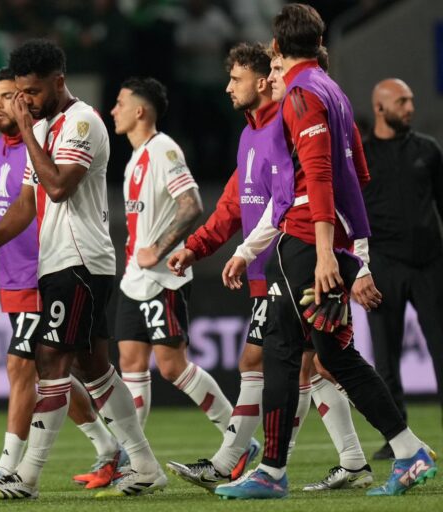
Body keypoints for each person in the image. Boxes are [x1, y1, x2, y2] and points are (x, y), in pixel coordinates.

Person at [216, 4, 436, 499]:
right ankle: (406, 450)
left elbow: (317, 176)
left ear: (277, 47)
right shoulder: (333, 91)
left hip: (303, 241)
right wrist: (353, 247)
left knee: (289, 351)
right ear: (318, 43)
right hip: (322, 238)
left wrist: (323, 253)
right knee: (326, 354)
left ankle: (274, 471)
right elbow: (359, 173)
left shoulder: (302, 96)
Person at [166, 43, 374, 493]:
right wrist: (198, 247)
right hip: (270, 265)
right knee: (313, 366)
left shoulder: (287, 124)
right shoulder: (249, 136)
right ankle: (355, 460)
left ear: (263, 81)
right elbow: (232, 204)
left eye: (236, 79)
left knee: (265, 360)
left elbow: (304, 199)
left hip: (294, 261)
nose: (227, 87)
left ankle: (236, 461)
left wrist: (358, 262)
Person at [0, 39, 166, 499]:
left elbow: (59, 187)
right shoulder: (43, 127)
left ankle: (27, 476)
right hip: (58, 260)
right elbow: (26, 206)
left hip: (81, 260)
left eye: (33, 92)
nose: (25, 101)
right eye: (21, 92)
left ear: (58, 82)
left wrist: (26, 131)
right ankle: (144, 466)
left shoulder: (82, 122)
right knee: (95, 369)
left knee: (50, 361)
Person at [109, 76, 236, 439]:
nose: (113, 111)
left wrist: (158, 250)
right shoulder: (135, 159)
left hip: (162, 279)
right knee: (130, 362)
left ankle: (237, 437)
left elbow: (191, 204)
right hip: (134, 279)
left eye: (120, 103)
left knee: (172, 367)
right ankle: (134, 454)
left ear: (140, 111)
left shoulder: (164, 150)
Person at [362, 78, 443, 460]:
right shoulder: (361, 157)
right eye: (401, 101)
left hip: (431, 265)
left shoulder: (429, 150)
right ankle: (397, 439)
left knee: (441, 348)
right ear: (380, 108)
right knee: (386, 357)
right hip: (383, 266)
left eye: (410, 100)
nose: (410, 107)